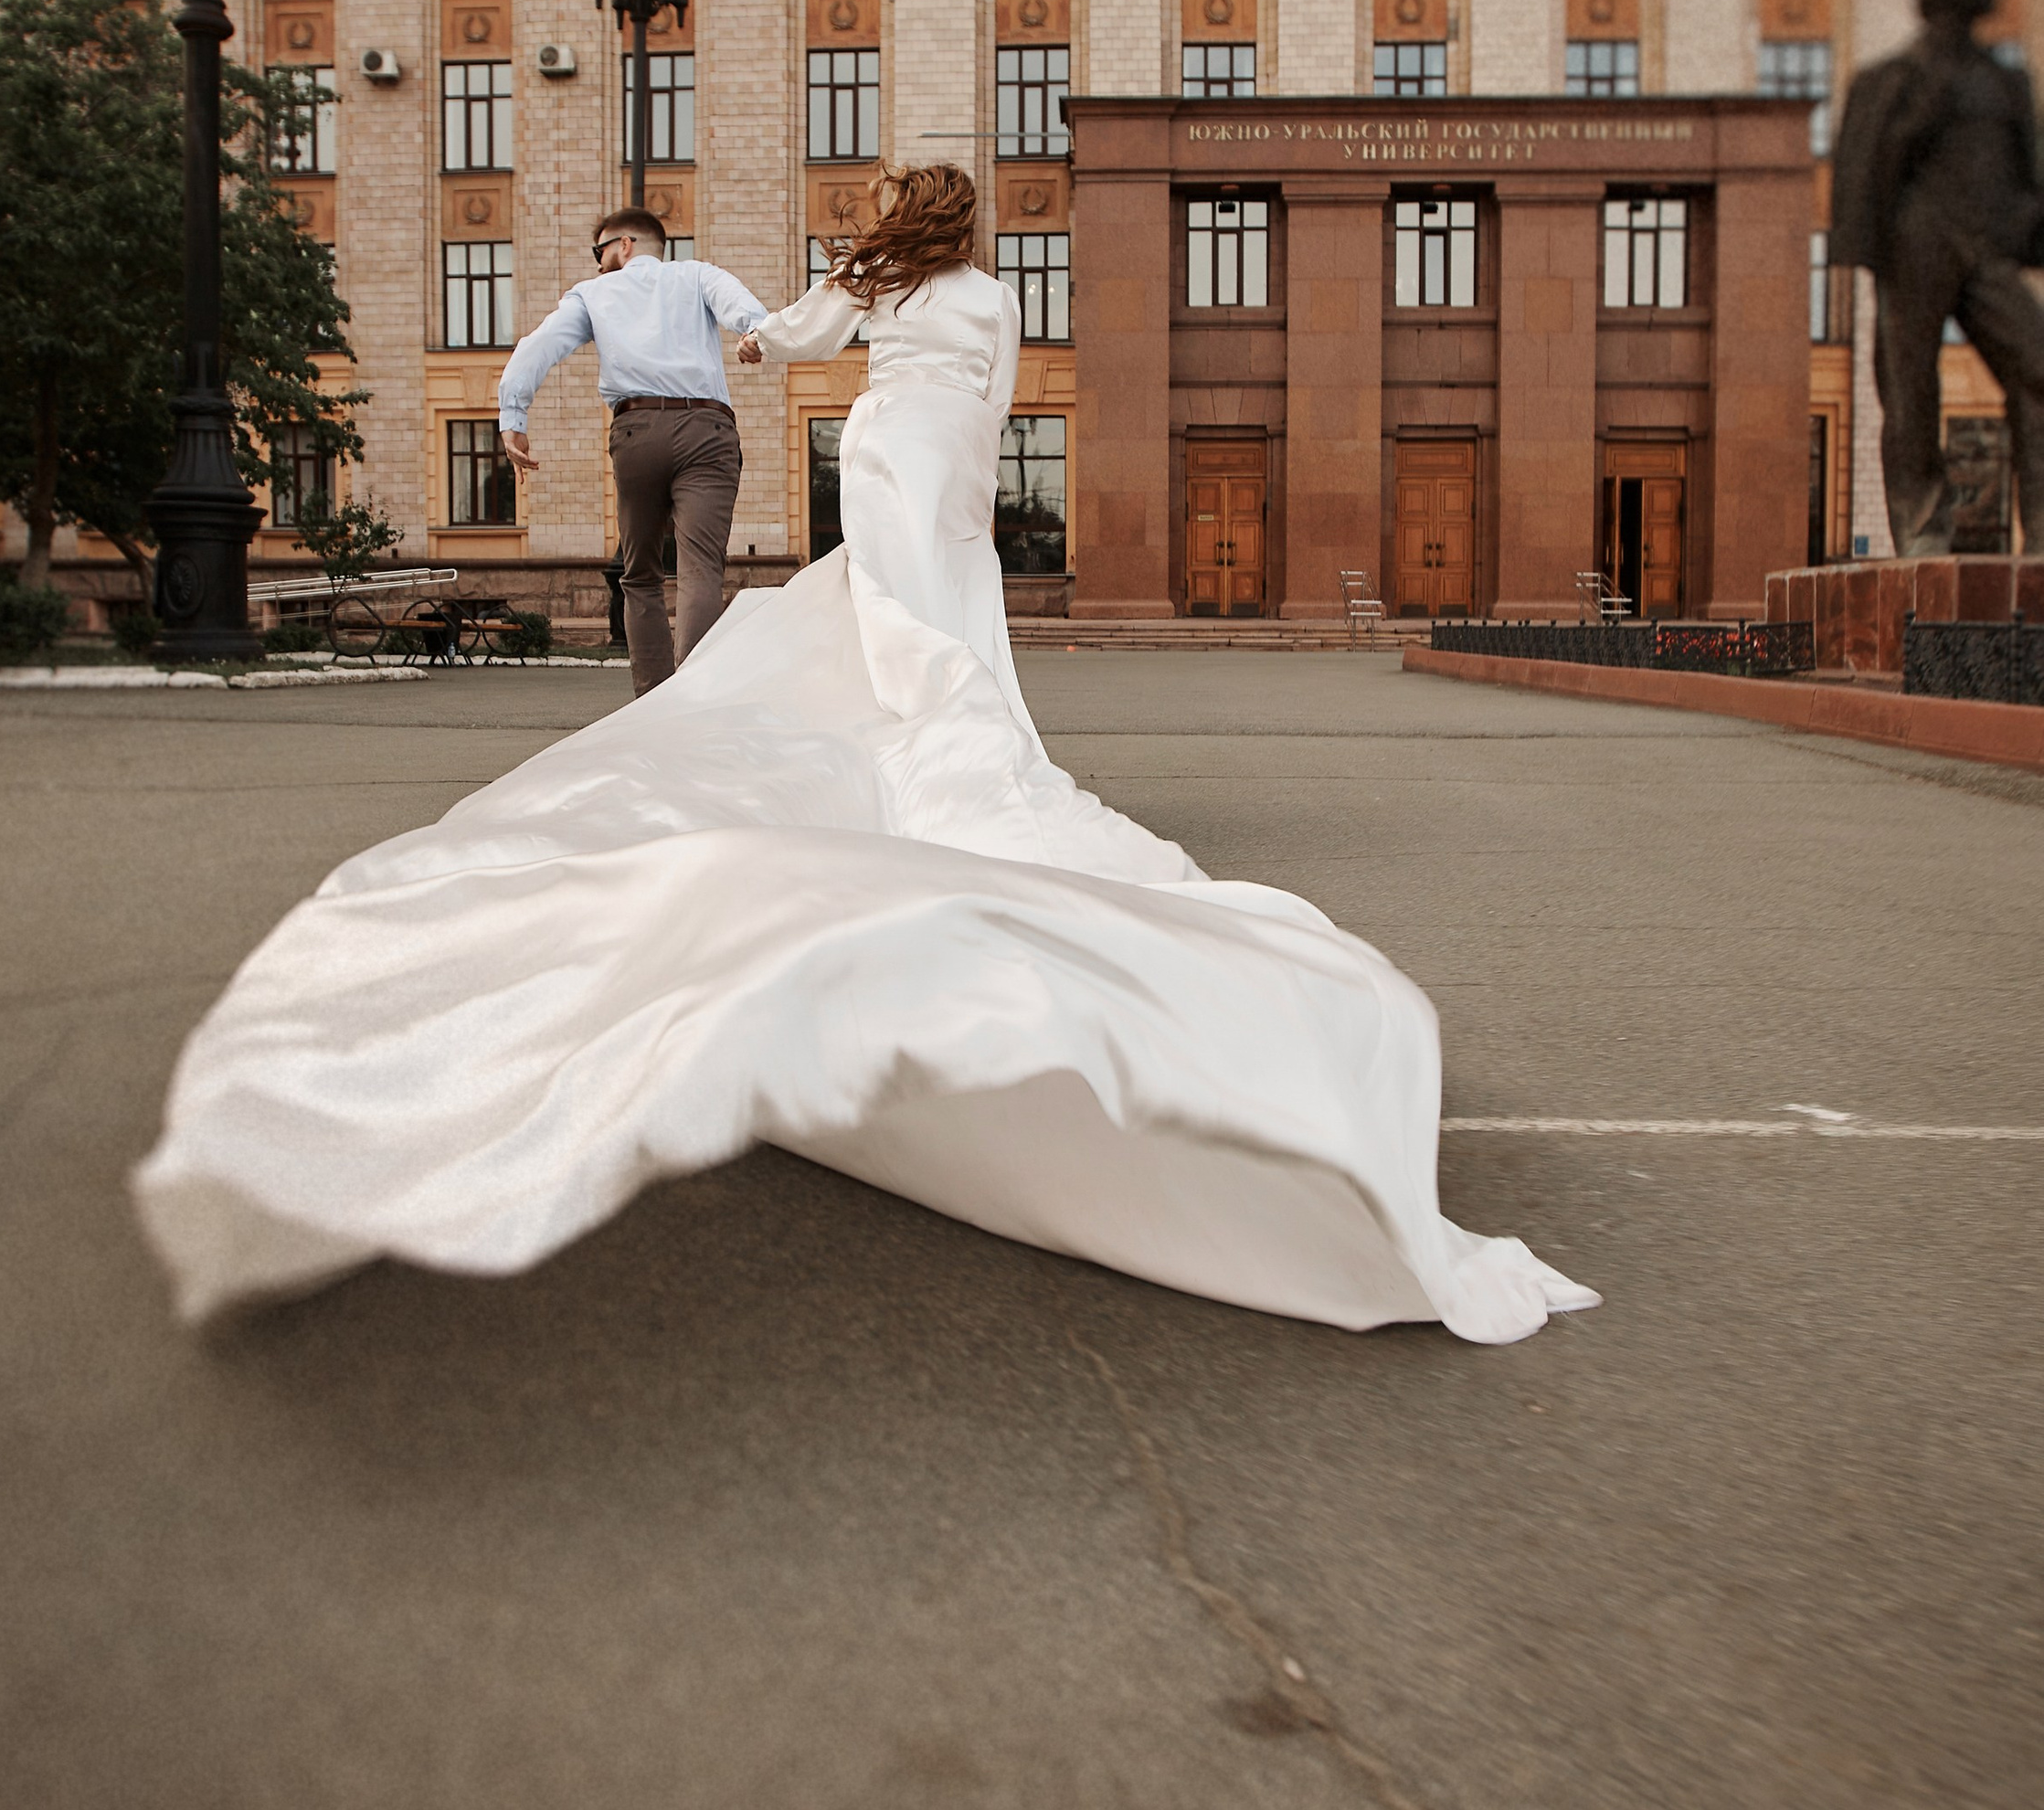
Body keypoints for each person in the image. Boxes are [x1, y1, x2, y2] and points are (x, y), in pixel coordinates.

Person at [136, 164, 1589, 1350]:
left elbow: (797, 337)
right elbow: (1013, 390)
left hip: (890, 446)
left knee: (879, 600)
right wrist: (919, 398)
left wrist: (754, 339)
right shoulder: (992, 291)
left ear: (908, 219)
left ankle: (902, 711)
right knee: (952, 612)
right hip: (955, 453)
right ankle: (951, 723)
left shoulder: (879, 281)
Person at [495, 206, 770, 695]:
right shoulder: (698, 275)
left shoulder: (592, 293)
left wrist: (513, 420)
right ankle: (695, 694)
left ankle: (652, 699)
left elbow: (536, 347)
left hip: (636, 432)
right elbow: (747, 313)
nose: (597, 262)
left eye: (599, 251)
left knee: (639, 573)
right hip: (707, 429)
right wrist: (754, 336)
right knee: (700, 568)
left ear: (624, 246)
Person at [1830, 0, 2044, 556]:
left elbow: (2027, 173)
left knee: (2037, 369)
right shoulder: (1895, 78)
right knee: (1909, 389)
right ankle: (1924, 532)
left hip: (1989, 248)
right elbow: (1865, 172)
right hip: (1917, 246)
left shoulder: (2006, 80)